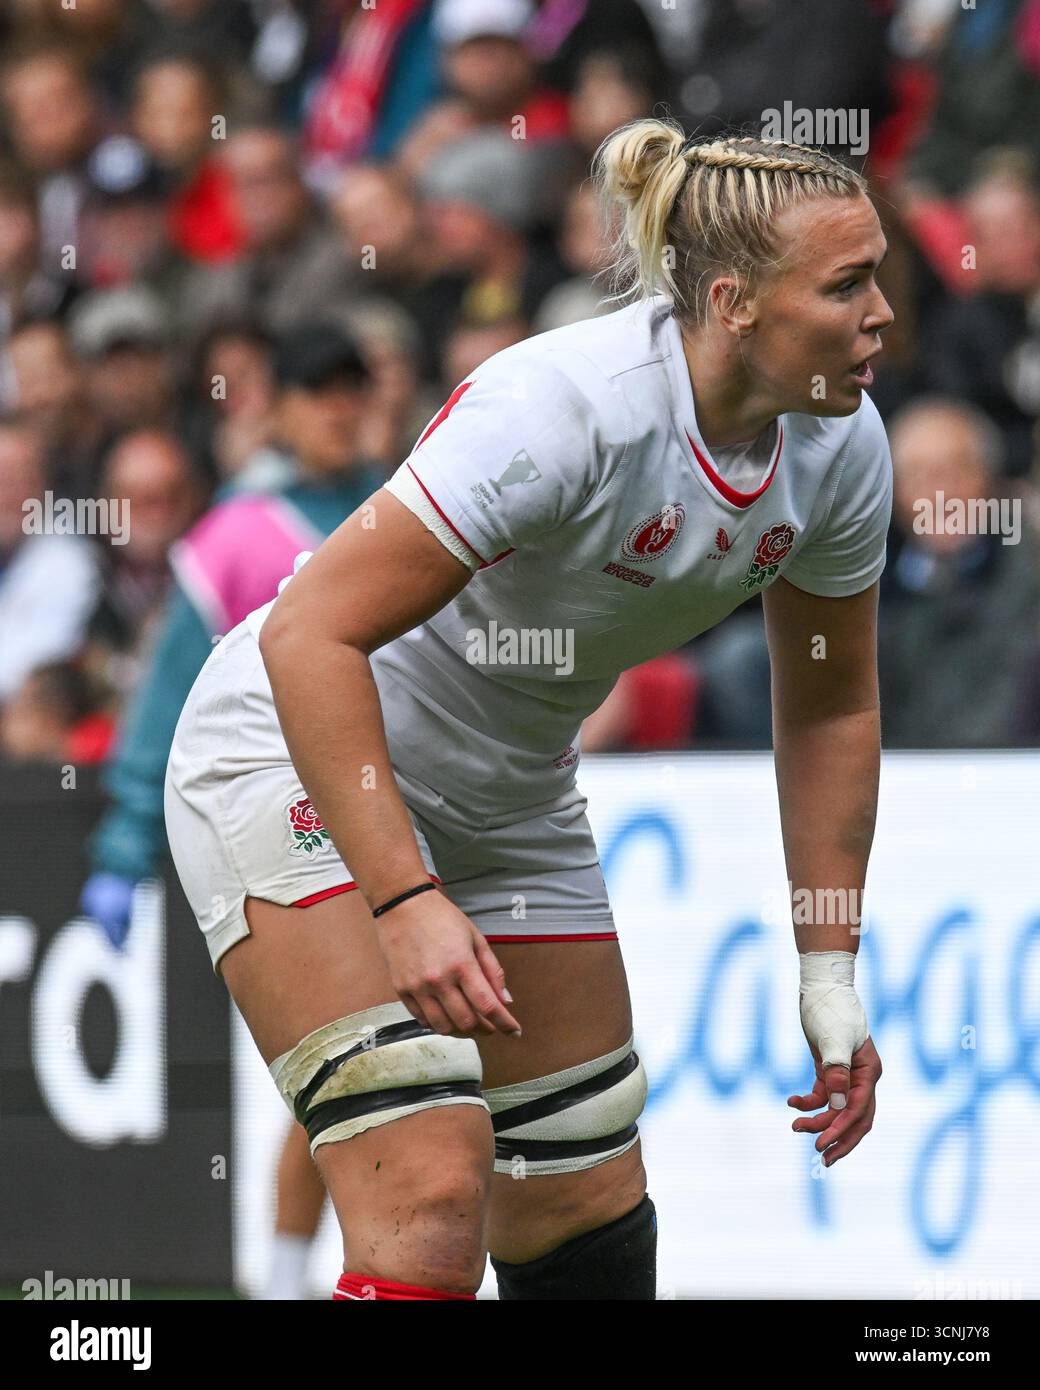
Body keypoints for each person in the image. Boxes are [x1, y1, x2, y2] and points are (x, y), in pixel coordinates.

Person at [164, 117, 892, 1301]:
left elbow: (826, 711)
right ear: (733, 301)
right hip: (296, 747)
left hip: (508, 793)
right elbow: (311, 633)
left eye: (879, 277)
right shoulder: (566, 406)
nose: (880, 315)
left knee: (585, 1217)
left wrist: (828, 974)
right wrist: (400, 897)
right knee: (430, 1196)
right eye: (846, 284)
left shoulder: (841, 448)